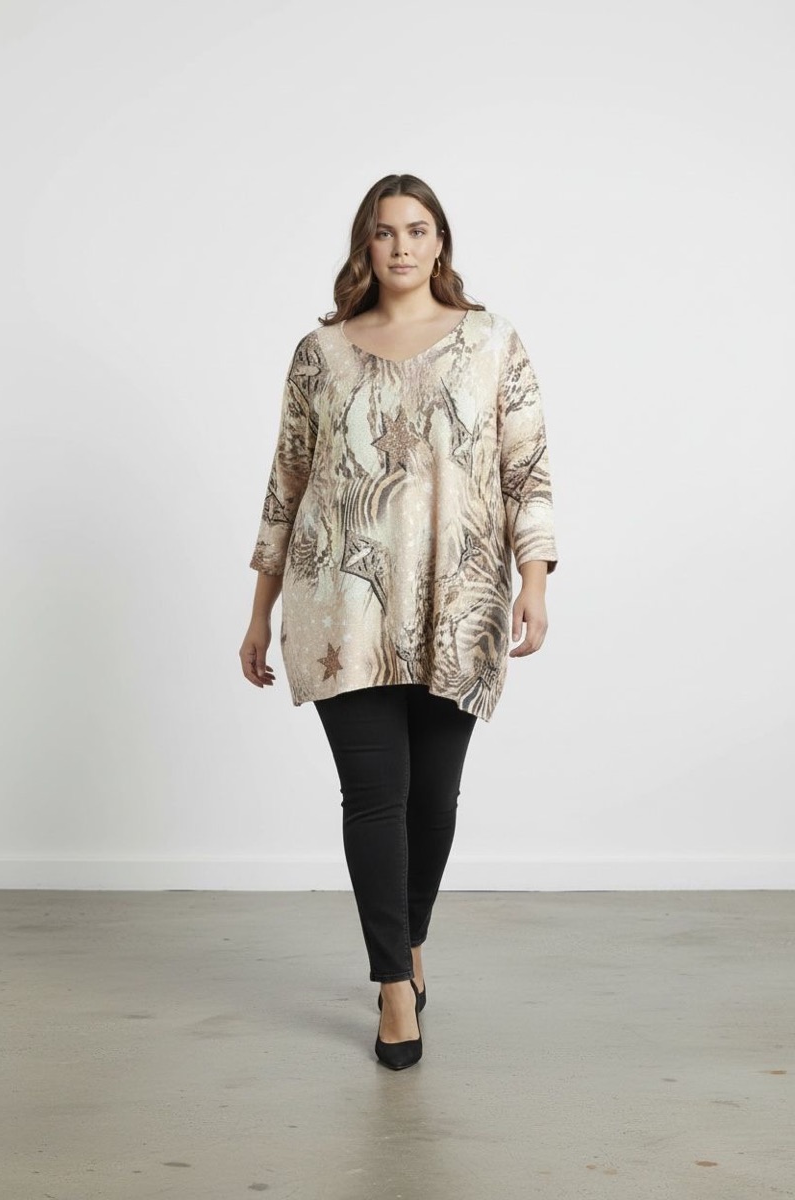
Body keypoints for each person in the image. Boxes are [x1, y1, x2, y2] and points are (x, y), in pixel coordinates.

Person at [239, 173, 559, 1070]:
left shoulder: (493, 342)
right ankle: (391, 986)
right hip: (340, 606)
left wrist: (535, 581)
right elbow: (286, 483)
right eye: (386, 232)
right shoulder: (319, 353)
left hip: (460, 603)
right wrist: (259, 612)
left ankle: (409, 938)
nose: (403, 246)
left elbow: (527, 468)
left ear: (441, 241)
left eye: (418, 230)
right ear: (365, 245)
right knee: (374, 796)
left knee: (434, 801)